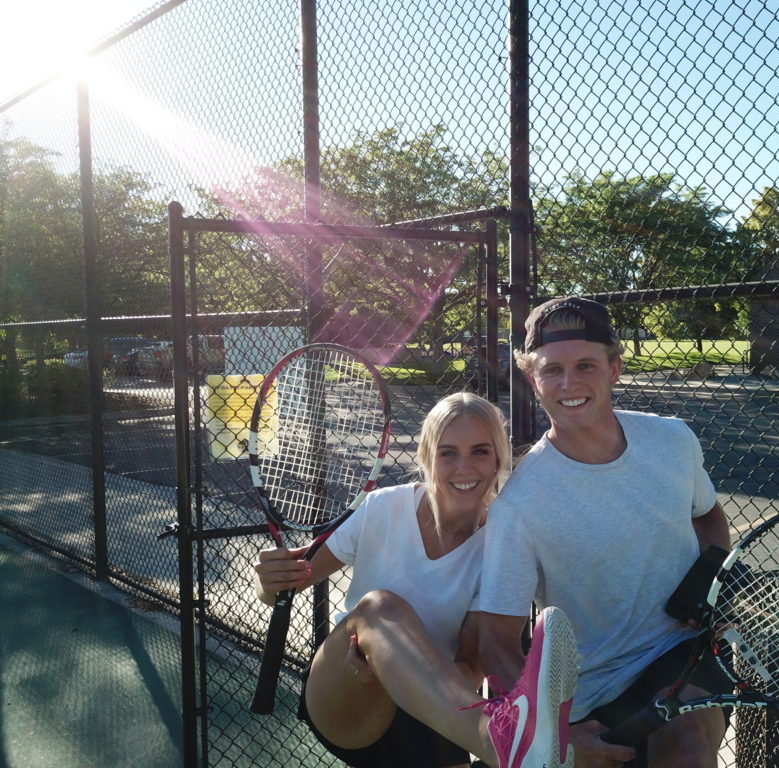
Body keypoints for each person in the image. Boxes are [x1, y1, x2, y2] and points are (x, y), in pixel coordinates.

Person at [253, 392, 579, 768]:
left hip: (432, 709)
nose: (464, 468)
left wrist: (404, 673)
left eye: (479, 452)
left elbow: (470, 665)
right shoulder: (381, 507)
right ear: (426, 457)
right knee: (379, 607)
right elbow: (288, 582)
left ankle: (512, 744)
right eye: (447, 453)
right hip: (348, 684)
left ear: (497, 461)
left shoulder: (501, 546)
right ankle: (507, 744)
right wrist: (268, 581)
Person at [478, 298, 733, 768]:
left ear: (614, 369)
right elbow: (494, 640)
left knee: (685, 740)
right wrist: (554, 734)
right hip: (591, 694)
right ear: (533, 381)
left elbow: (709, 518)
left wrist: (709, 588)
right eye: (552, 370)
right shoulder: (518, 505)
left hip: (681, 651)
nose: (569, 383)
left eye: (586, 365)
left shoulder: (674, 440)